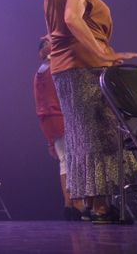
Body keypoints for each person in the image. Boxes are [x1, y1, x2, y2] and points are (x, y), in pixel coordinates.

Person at [22, 0, 137, 223]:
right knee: (97, 133)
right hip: (84, 66)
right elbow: (73, 20)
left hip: (65, 70)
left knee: (80, 135)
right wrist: (102, 51)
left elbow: (57, 33)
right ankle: (100, 206)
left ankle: (90, 203)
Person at [34, 36, 85, 220]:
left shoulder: (43, 69)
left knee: (66, 160)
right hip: (59, 116)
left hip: (52, 118)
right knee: (71, 160)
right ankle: (77, 203)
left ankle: (70, 204)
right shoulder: (51, 68)